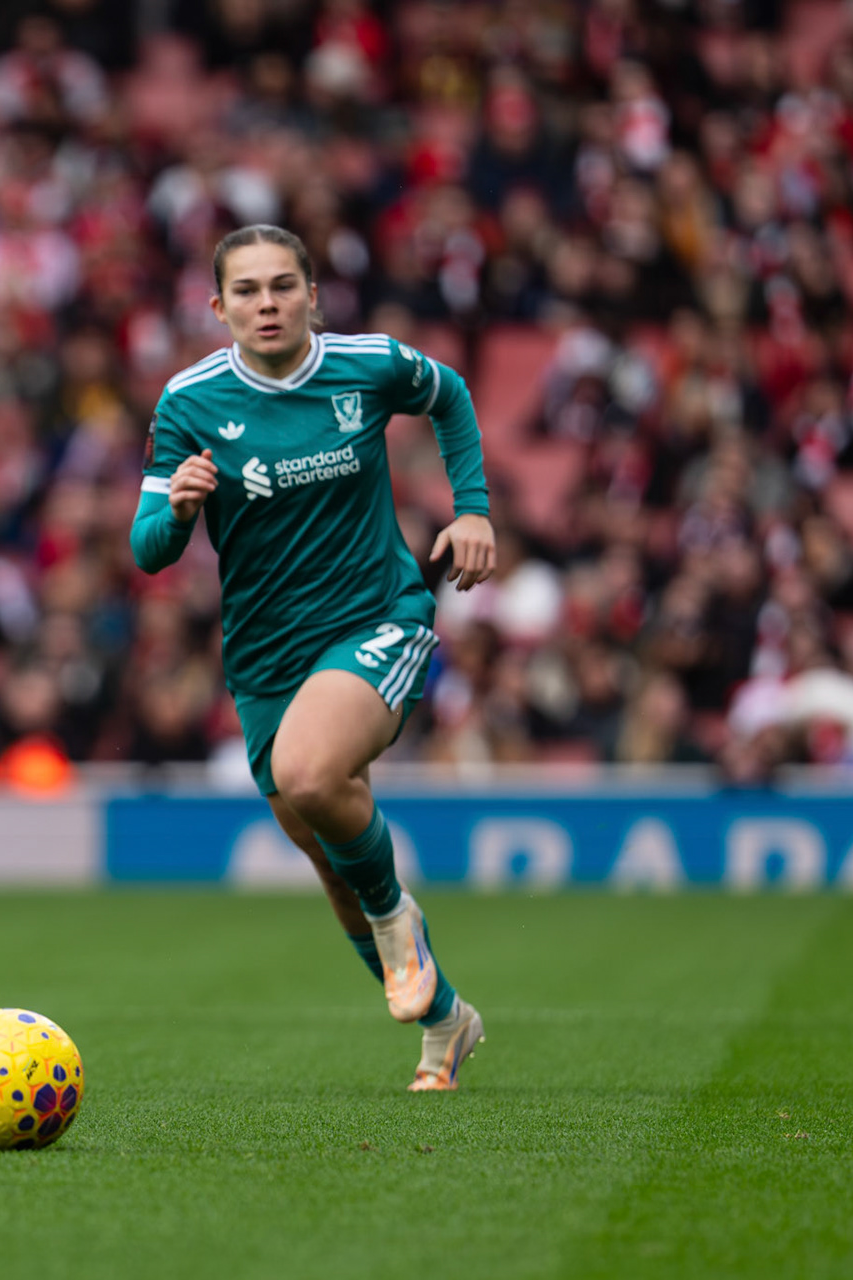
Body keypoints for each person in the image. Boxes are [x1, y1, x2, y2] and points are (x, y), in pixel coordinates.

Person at [132, 225, 497, 1091]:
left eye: (284, 286)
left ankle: (395, 912)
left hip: (378, 617)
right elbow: (148, 551)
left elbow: (449, 395)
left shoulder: (367, 366)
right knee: (325, 851)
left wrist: (472, 507)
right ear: (218, 308)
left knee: (308, 773)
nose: (268, 304)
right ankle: (446, 1021)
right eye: (249, 291)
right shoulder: (187, 401)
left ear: (313, 296)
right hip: (264, 656)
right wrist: (179, 509)